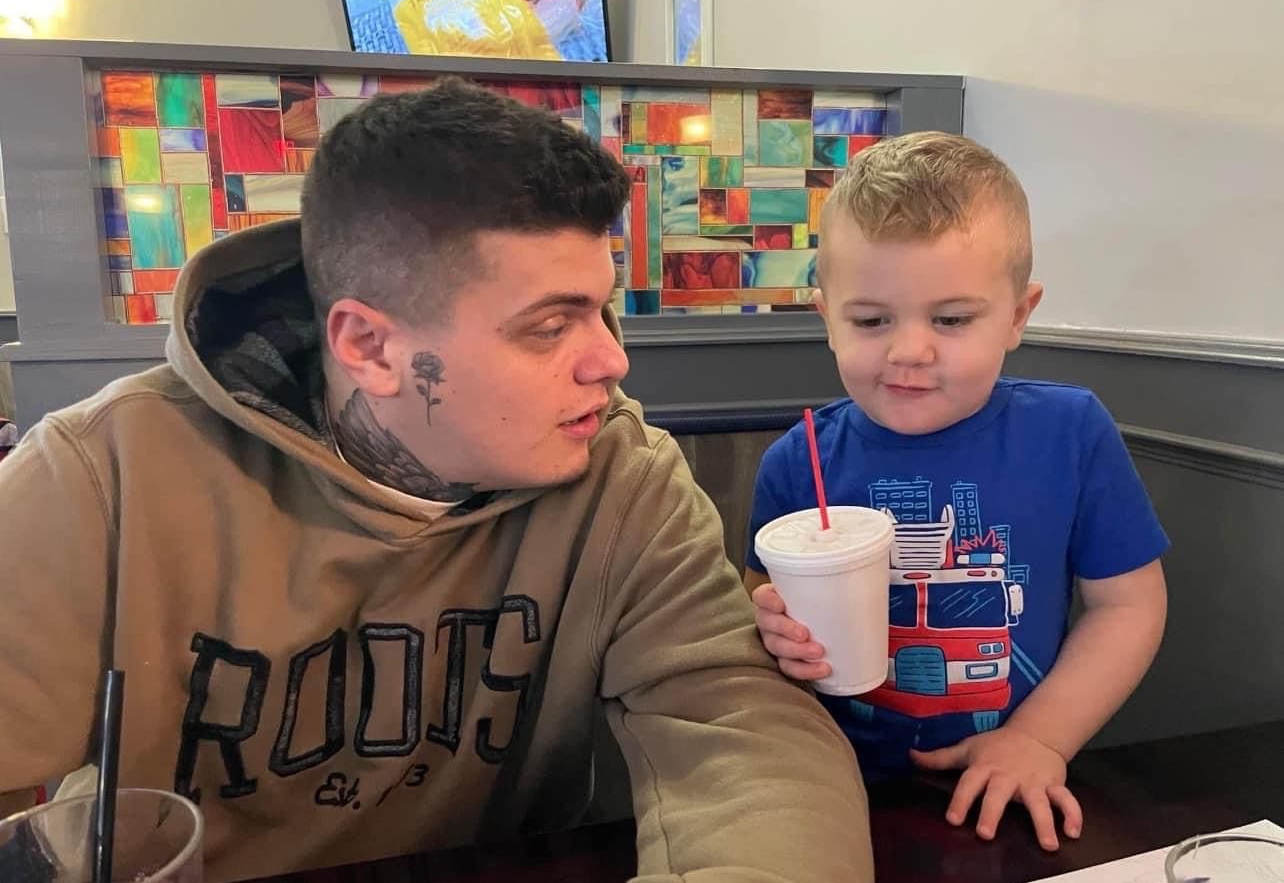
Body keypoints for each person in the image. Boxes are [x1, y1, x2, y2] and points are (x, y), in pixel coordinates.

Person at [0, 79, 873, 883]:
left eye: (601, 308)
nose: (612, 359)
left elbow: (740, 733)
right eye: (549, 326)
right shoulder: (104, 476)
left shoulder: (619, 475)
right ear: (370, 347)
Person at [746, 131, 1168, 853]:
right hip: (825, 797)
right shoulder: (796, 462)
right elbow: (758, 617)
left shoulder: (1071, 433)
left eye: (951, 318)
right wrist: (767, 626)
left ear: (1017, 315)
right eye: (871, 320)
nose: (910, 349)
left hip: (1013, 786)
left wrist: (1039, 738)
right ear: (826, 318)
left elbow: (1127, 605)